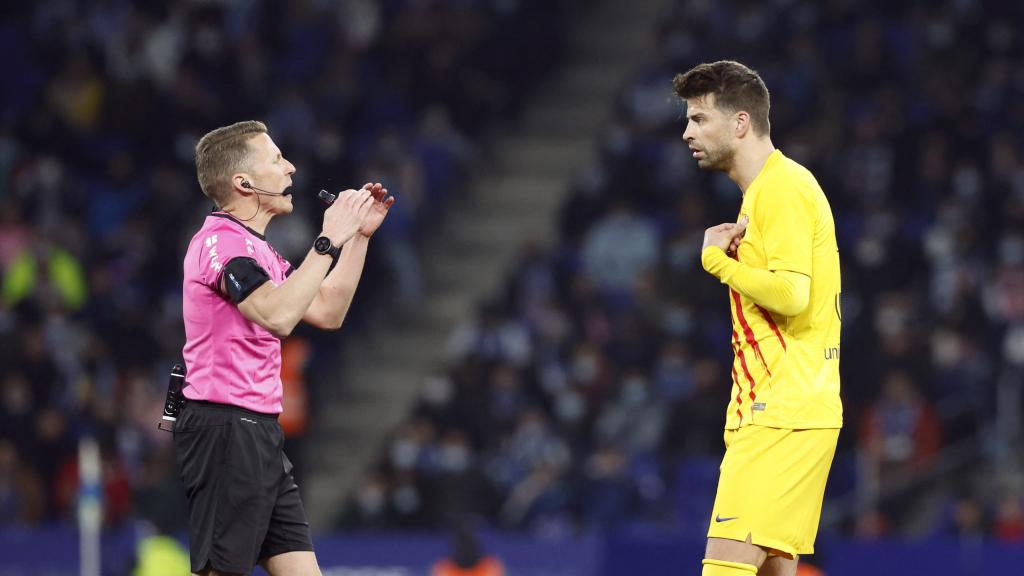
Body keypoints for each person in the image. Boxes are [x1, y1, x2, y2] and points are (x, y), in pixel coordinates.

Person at [175, 120, 393, 576]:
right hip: (224, 430)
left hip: (260, 434)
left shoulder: (262, 253)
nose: (291, 167)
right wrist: (328, 237)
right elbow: (276, 314)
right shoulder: (219, 244)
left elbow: (328, 311)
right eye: (276, 159)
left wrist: (357, 239)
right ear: (244, 183)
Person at [673, 61, 842, 576]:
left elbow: (793, 294)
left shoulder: (783, 188)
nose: (687, 132)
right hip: (778, 409)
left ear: (740, 122)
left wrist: (717, 262)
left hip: (782, 412)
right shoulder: (765, 192)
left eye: (700, 118)